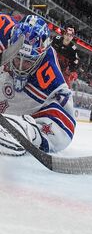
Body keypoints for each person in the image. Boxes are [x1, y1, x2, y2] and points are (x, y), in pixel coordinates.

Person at [0, 14, 76, 156]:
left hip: (22, 112)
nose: (20, 66)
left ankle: (22, 127)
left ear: (41, 54)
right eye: (17, 58)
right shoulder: (2, 28)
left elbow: (66, 128)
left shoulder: (51, 75)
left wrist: (34, 135)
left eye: (28, 61)